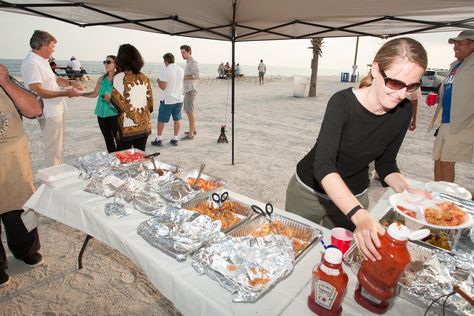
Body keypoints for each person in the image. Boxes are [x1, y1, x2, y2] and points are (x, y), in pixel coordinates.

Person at [285, 38, 427, 261]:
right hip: (309, 192)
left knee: (339, 259)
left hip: (355, 194)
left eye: (411, 86)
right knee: (295, 251)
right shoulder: (342, 103)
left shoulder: (404, 111)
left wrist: (408, 191)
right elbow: (324, 167)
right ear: (377, 69)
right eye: (396, 83)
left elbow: (386, 164)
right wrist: (359, 215)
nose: (402, 94)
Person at [0, 64, 44, 287]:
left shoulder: (7, 81)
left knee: (19, 207)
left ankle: (26, 249)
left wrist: (5, 81)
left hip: (13, 162)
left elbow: (35, 109)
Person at [21, 30, 83, 168]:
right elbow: (39, 91)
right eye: (52, 47)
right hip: (48, 112)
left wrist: (71, 83)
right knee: (53, 151)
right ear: (43, 45)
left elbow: (54, 79)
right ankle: (52, 181)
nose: (54, 51)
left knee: (58, 148)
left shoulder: (41, 61)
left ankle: (57, 175)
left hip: (56, 109)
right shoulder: (32, 63)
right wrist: (65, 93)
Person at [429, 30, 474, 183]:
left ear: (472, 45)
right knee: (438, 159)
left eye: (460, 43)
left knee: (448, 162)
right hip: (445, 121)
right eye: (455, 43)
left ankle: (445, 200)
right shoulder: (455, 65)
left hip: (462, 123)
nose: (455, 46)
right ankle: (437, 195)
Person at [110, 44, 153, 151]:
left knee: (123, 160)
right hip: (144, 126)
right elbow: (150, 105)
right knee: (140, 157)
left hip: (127, 128)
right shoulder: (145, 78)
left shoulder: (119, 78)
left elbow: (118, 105)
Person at [82, 55, 120, 152]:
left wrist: (111, 99)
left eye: (109, 62)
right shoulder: (101, 79)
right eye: (105, 62)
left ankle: (122, 162)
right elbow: (94, 94)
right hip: (101, 113)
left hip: (114, 114)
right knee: (108, 140)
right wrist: (79, 94)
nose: (106, 64)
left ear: (116, 64)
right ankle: (113, 161)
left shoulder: (119, 79)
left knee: (119, 141)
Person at [151, 53, 184, 147]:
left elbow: (163, 87)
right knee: (177, 119)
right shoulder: (180, 69)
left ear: (166, 61)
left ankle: (159, 139)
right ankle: (175, 138)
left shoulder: (165, 70)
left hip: (168, 99)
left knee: (161, 120)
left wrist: (158, 81)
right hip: (178, 98)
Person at [180, 44, 200, 140]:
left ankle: (191, 133)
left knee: (189, 111)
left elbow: (196, 75)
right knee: (188, 111)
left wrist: (183, 77)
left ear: (189, 52)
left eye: (184, 52)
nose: (182, 54)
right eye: (181, 52)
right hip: (188, 90)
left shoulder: (193, 62)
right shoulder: (188, 62)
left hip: (191, 90)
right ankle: (193, 130)